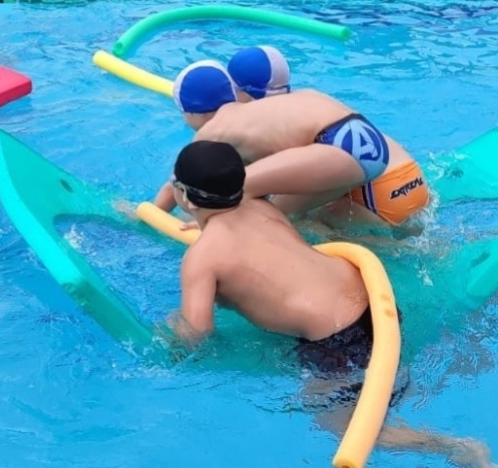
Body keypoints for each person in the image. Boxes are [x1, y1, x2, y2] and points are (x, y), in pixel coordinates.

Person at [167, 139, 493, 467]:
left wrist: (172, 332)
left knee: (336, 422)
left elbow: (198, 336)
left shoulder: (202, 258)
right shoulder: (262, 207)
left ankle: (454, 447)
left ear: (182, 195)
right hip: (371, 297)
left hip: (337, 337)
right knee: (387, 380)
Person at [153, 58, 429, 231]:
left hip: (338, 148)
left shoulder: (211, 131)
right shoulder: (262, 111)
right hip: (369, 144)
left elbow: (177, 186)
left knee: (235, 194)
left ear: (190, 113)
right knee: (287, 214)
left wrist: (152, 216)